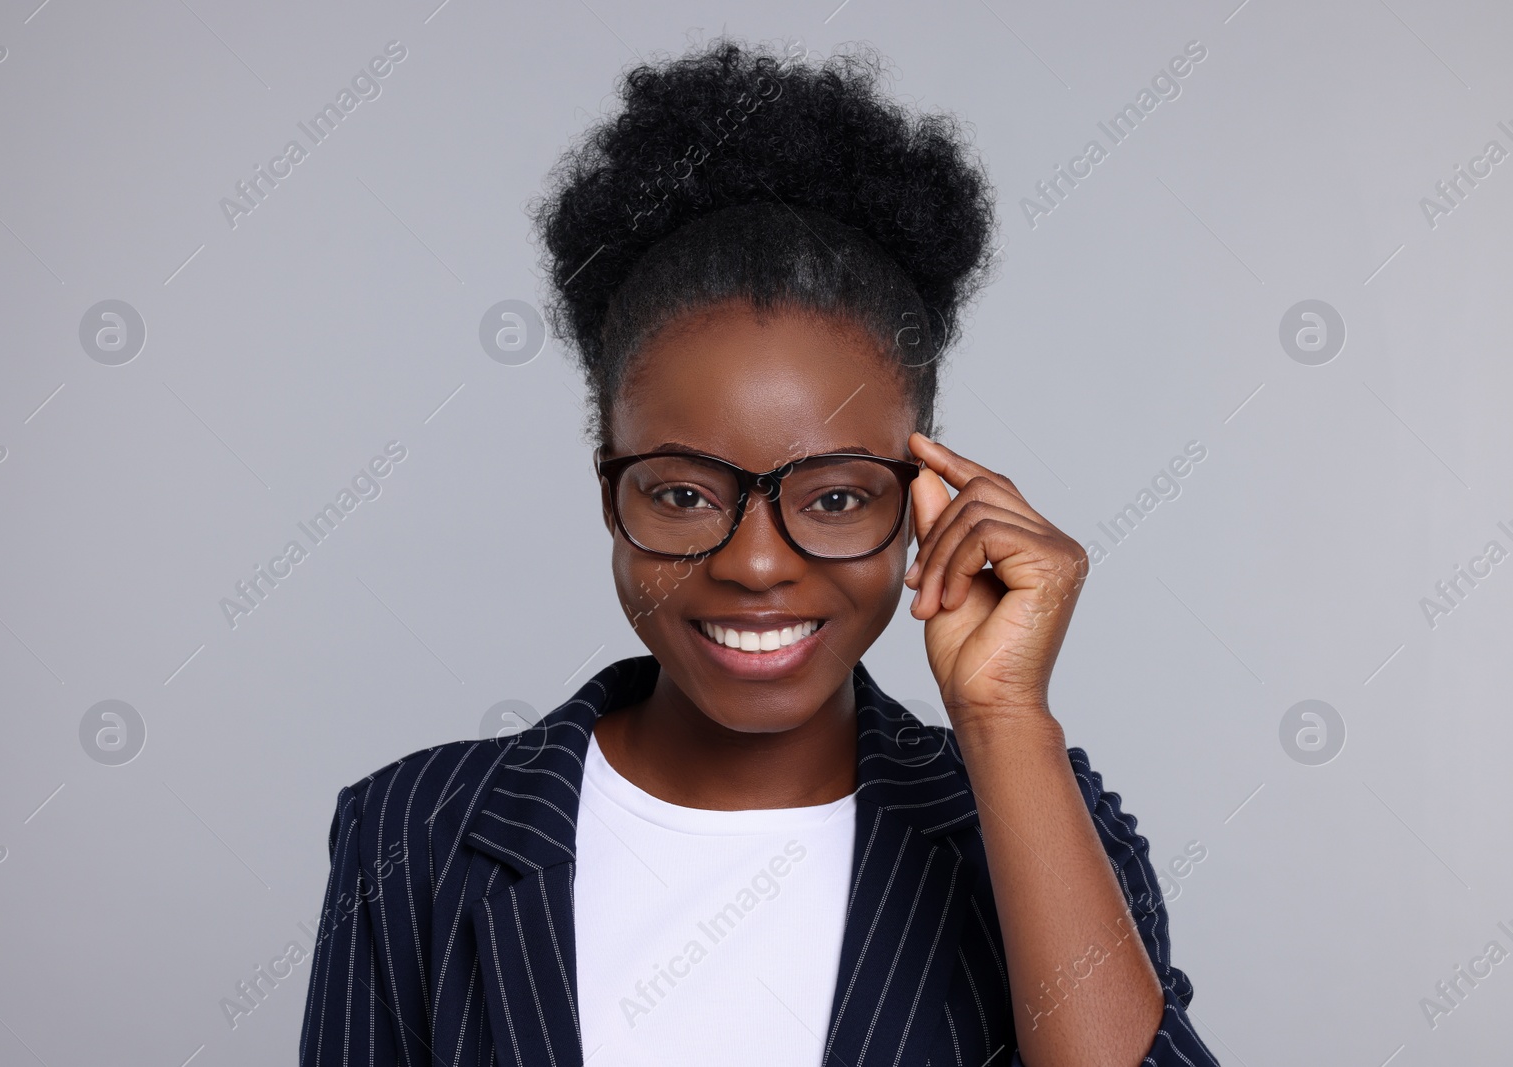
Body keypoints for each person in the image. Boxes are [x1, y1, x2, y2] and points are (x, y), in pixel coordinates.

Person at [299, 36, 1219, 1067]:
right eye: (685, 492)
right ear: (610, 485)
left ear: (923, 499)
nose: (755, 562)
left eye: (833, 496)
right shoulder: (415, 831)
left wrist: (1003, 718)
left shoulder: (1029, 808)